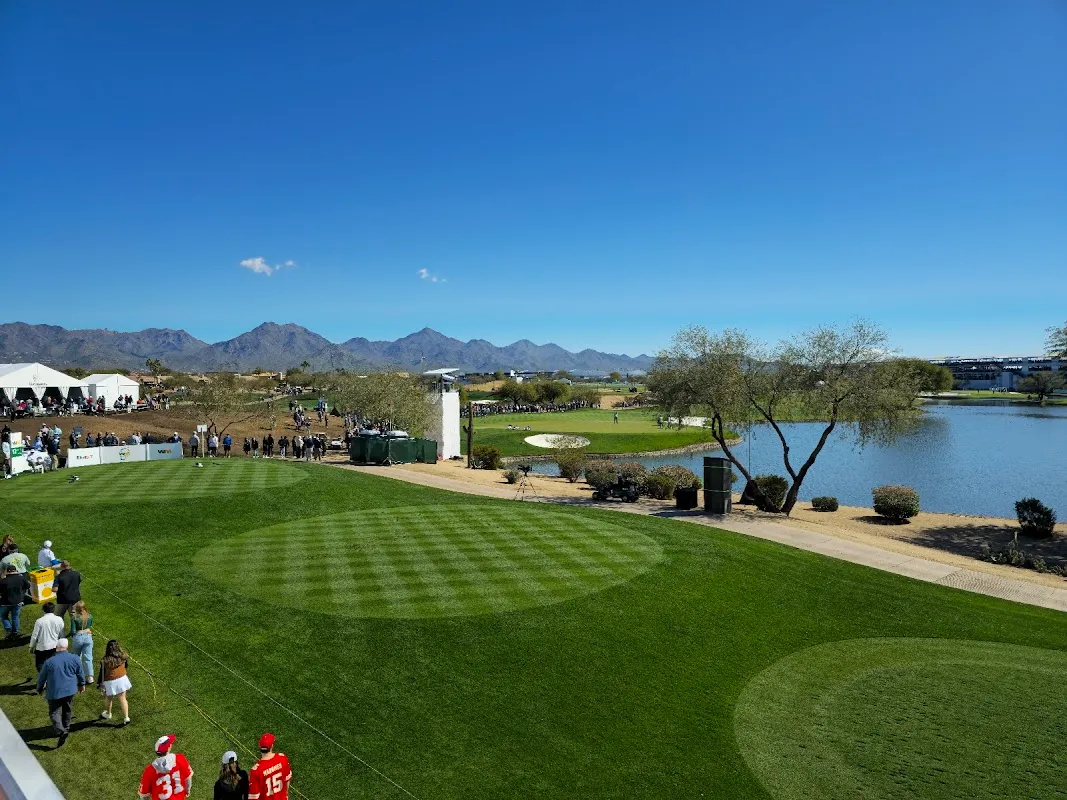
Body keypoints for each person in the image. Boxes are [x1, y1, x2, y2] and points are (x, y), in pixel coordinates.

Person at [36, 637, 85, 748]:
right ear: (67, 647)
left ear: (57, 647)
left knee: (54, 712)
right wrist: (82, 685)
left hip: (54, 692)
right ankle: (66, 728)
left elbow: (41, 678)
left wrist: (39, 689)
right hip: (70, 690)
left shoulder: (49, 662)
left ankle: (60, 730)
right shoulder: (75, 658)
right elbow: (80, 673)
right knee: (67, 709)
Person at [139, 734, 194, 800]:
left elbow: (144, 795)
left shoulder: (149, 770)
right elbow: (188, 779)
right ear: (168, 748)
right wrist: (187, 790)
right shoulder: (180, 759)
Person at [247, 732, 292, 800]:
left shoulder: (256, 770)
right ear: (272, 746)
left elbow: (254, 797)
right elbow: (287, 780)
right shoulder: (282, 758)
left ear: (259, 747)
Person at [99, 638, 132, 724]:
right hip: (122, 679)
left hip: (110, 681)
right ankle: (126, 718)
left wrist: (99, 684)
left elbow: (101, 674)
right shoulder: (124, 656)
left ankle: (108, 714)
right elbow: (126, 666)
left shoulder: (104, 660)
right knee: (122, 698)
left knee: (109, 698)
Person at [29, 601, 66, 671]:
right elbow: (62, 634)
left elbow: (35, 635)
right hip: (54, 646)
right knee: (53, 664)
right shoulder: (59, 619)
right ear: (53, 609)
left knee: (40, 664)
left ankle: (44, 679)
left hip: (42, 647)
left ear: (43, 610)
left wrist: (31, 646)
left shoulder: (39, 621)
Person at [69, 600, 95, 684]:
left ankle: (77, 676)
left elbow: (72, 631)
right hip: (88, 637)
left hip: (78, 638)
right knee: (88, 657)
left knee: (76, 658)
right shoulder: (90, 616)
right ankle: (90, 677)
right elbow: (90, 626)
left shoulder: (74, 618)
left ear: (77, 608)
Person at [1, 565, 29, 639]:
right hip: (18, 601)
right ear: (15, 570)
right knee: (15, 617)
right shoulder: (21, 578)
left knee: (3, 616)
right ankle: (15, 632)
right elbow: (27, 586)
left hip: (5, 602)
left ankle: (9, 629)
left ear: (8, 571)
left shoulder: (3, 581)